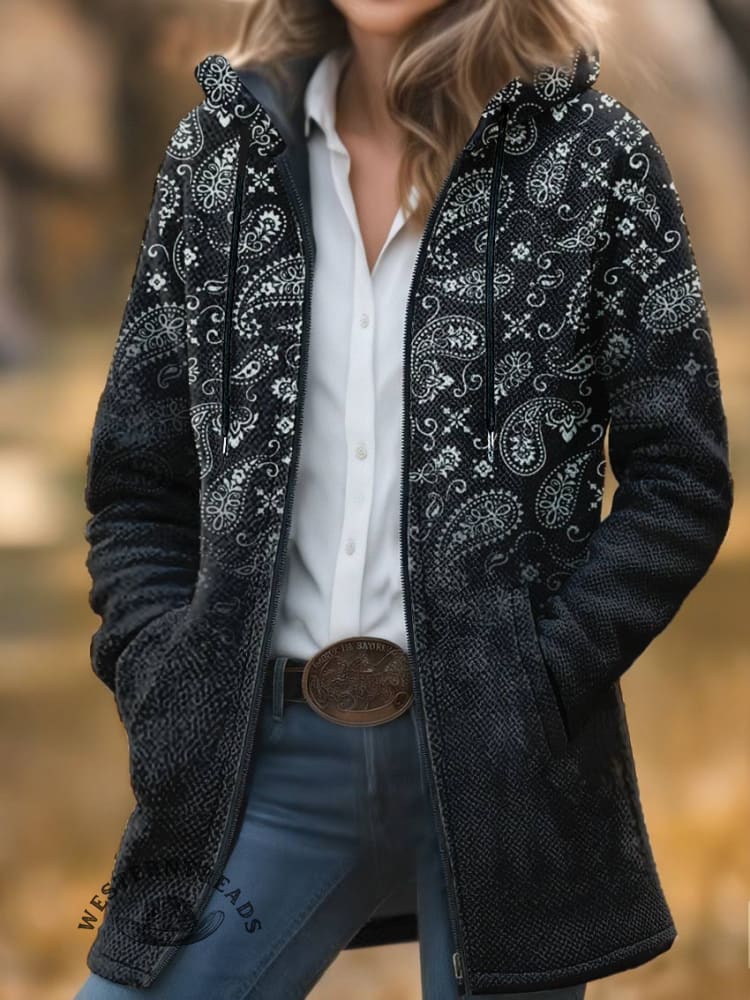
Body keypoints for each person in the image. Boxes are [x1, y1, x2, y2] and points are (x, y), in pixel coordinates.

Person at [74, 0, 733, 998]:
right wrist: (169, 687)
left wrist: (540, 685)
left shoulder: (597, 159)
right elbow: (135, 484)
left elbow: (680, 476)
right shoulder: (219, 156)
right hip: (265, 769)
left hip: (502, 777)